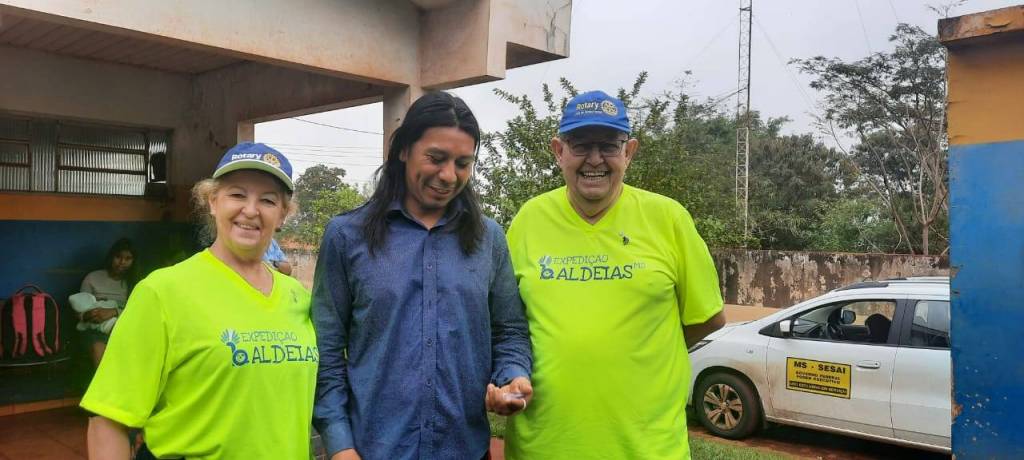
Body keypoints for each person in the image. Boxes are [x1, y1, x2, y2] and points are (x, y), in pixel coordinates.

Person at [503, 90, 727, 459]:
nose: (594, 159)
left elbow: (708, 317)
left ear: (629, 152)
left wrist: (641, 352)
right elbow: (506, 323)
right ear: (559, 151)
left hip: (648, 448)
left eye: (608, 146)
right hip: (542, 446)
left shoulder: (668, 218)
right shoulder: (529, 219)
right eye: (580, 145)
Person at [312, 92, 532, 460]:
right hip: (373, 451)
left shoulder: (488, 238)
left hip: (466, 450)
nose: (448, 175)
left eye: (463, 163)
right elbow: (326, 350)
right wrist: (340, 445)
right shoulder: (347, 236)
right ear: (403, 150)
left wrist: (513, 377)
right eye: (436, 158)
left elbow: (509, 331)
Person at [81, 143, 316, 459]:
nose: (251, 210)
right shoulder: (162, 291)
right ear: (213, 202)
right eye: (237, 194)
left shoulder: (299, 298)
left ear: (283, 214)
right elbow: (108, 420)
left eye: (268, 200)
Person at [78, 237, 137, 366]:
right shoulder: (92, 278)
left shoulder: (134, 283)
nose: (122, 262)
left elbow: (138, 312)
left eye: (128, 259)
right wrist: (89, 315)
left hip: (124, 328)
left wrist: (114, 312)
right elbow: (80, 309)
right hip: (95, 330)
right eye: (118, 257)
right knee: (98, 349)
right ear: (111, 257)